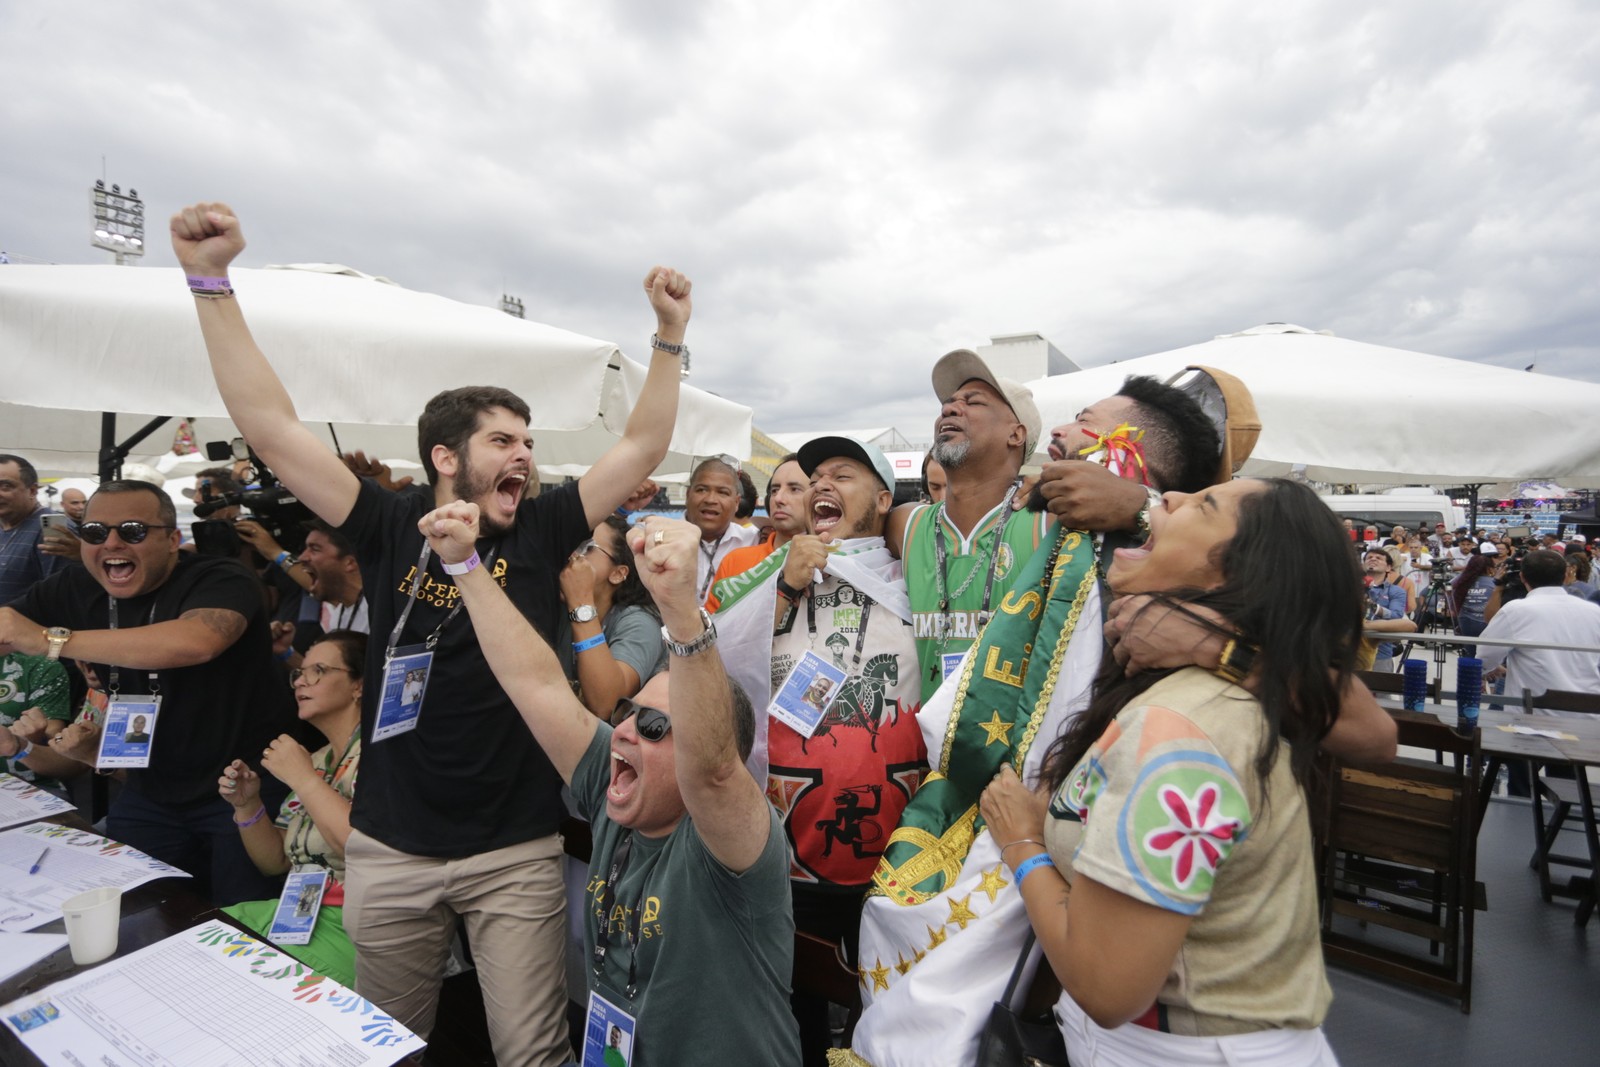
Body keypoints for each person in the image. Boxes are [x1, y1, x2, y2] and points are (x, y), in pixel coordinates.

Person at [173, 199, 689, 1063]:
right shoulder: (387, 521)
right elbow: (273, 428)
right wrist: (211, 283)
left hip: (515, 848)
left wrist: (669, 335)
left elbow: (641, 444)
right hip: (389, 845)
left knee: (531, 1052)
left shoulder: (542, 522)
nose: (523, 455)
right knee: (386, 1045)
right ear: (447, 457)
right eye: (501, 439)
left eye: (527, 440)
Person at [979, 478, 1358, 1065]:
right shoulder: (1187, 691)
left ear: (1238, 575)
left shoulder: (1179, 731)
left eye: (1202, 504)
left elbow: (1108, 986)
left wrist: (1023, 844)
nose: (1171, 500)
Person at [418, 504, 801, 1065]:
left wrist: (680, 612)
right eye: (627, 711)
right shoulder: (611, 787)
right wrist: (464, 564)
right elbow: (536, 683)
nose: (623, 731)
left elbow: (714, 770)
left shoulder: (732, 846)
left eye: (653, 726)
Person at [713, 436, 924, 1064]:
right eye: (814, 477)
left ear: (885, 498)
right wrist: (779, 589)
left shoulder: (920, 578)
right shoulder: (763, 575)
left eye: (844, 474)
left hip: (899, 849)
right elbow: (708, 659)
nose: (822, 484)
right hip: (784, 842)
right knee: (786, 1012)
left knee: (886, 1010)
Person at [0, 480, 297, 904]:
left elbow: (197, 641)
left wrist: (52, 641)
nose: (112, 543)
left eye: (134, 530)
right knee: (133, 910)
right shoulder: (73, 586)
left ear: (174, 540)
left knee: (242, 916)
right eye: (95, 532)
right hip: (148, 787)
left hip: (242, 787)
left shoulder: (221, 577)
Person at [890, 350, 1049, 700]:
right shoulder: (905, 524)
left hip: (1014, 748)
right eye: (948, 403)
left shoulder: (1047, 523)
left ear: (1016, 434)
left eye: (972, 402)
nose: (949, 409)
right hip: (926, 750)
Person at [218, 630, 365, 986]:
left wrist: (303, 779)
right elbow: (276, 863)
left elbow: (365, 849)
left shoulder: (384, 755)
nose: (301, 679)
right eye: (300, 673)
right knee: (202, 932)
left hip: (359, 929)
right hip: (300, 912)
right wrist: (247, 806)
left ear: (360, 685)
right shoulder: (316, 759)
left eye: (318, 670)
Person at [557, 515, 667, 717]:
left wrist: (581, 603)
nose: (572, 554)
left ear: (618, 573)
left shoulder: (640, 623)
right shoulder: (557, 609)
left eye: (587, 547)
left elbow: (607, 704)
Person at [1478, 549, 1600, 711]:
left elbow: (1485, 656)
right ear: (1565, 575)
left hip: (1533, 715)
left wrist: (1489, 668)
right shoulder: (1594, 611)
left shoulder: (1515, 610)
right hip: (1587, 713)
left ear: (1522, 577)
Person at [705, 454, 807, 611]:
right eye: (774, 490)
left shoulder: (830, 563)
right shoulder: (735, 561)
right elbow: (714, 629)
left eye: (794, 489)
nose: (778, 498)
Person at [686, 457, 762, 602]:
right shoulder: (660, 537)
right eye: (702, 490)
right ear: (687, 495)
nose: (710, 499)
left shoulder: (755, 541)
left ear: (737, 502)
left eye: (723, 492)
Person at [0, 454, 65, 605]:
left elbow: (61, 596)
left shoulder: (51, 528)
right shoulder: (4, 523)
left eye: (6, 486)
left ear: (32, 491)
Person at [1361, 548, 1414, 671]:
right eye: (1369, 558)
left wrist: (1374, 607)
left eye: (1378, 558)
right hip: (1349, 651)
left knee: (1379, 689)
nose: (1373, 559)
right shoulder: (1350, 586)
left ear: (1388, 568)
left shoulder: (1396, 591)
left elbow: (1396, 616)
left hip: (1381, 653)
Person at [1452, 545, 1500, 655]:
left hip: (1465, 621)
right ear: (1489, 568)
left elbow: (1449, 586)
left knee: (1469, 653)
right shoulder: (1495, 583)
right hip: (1485, 623)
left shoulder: (1462, 581)